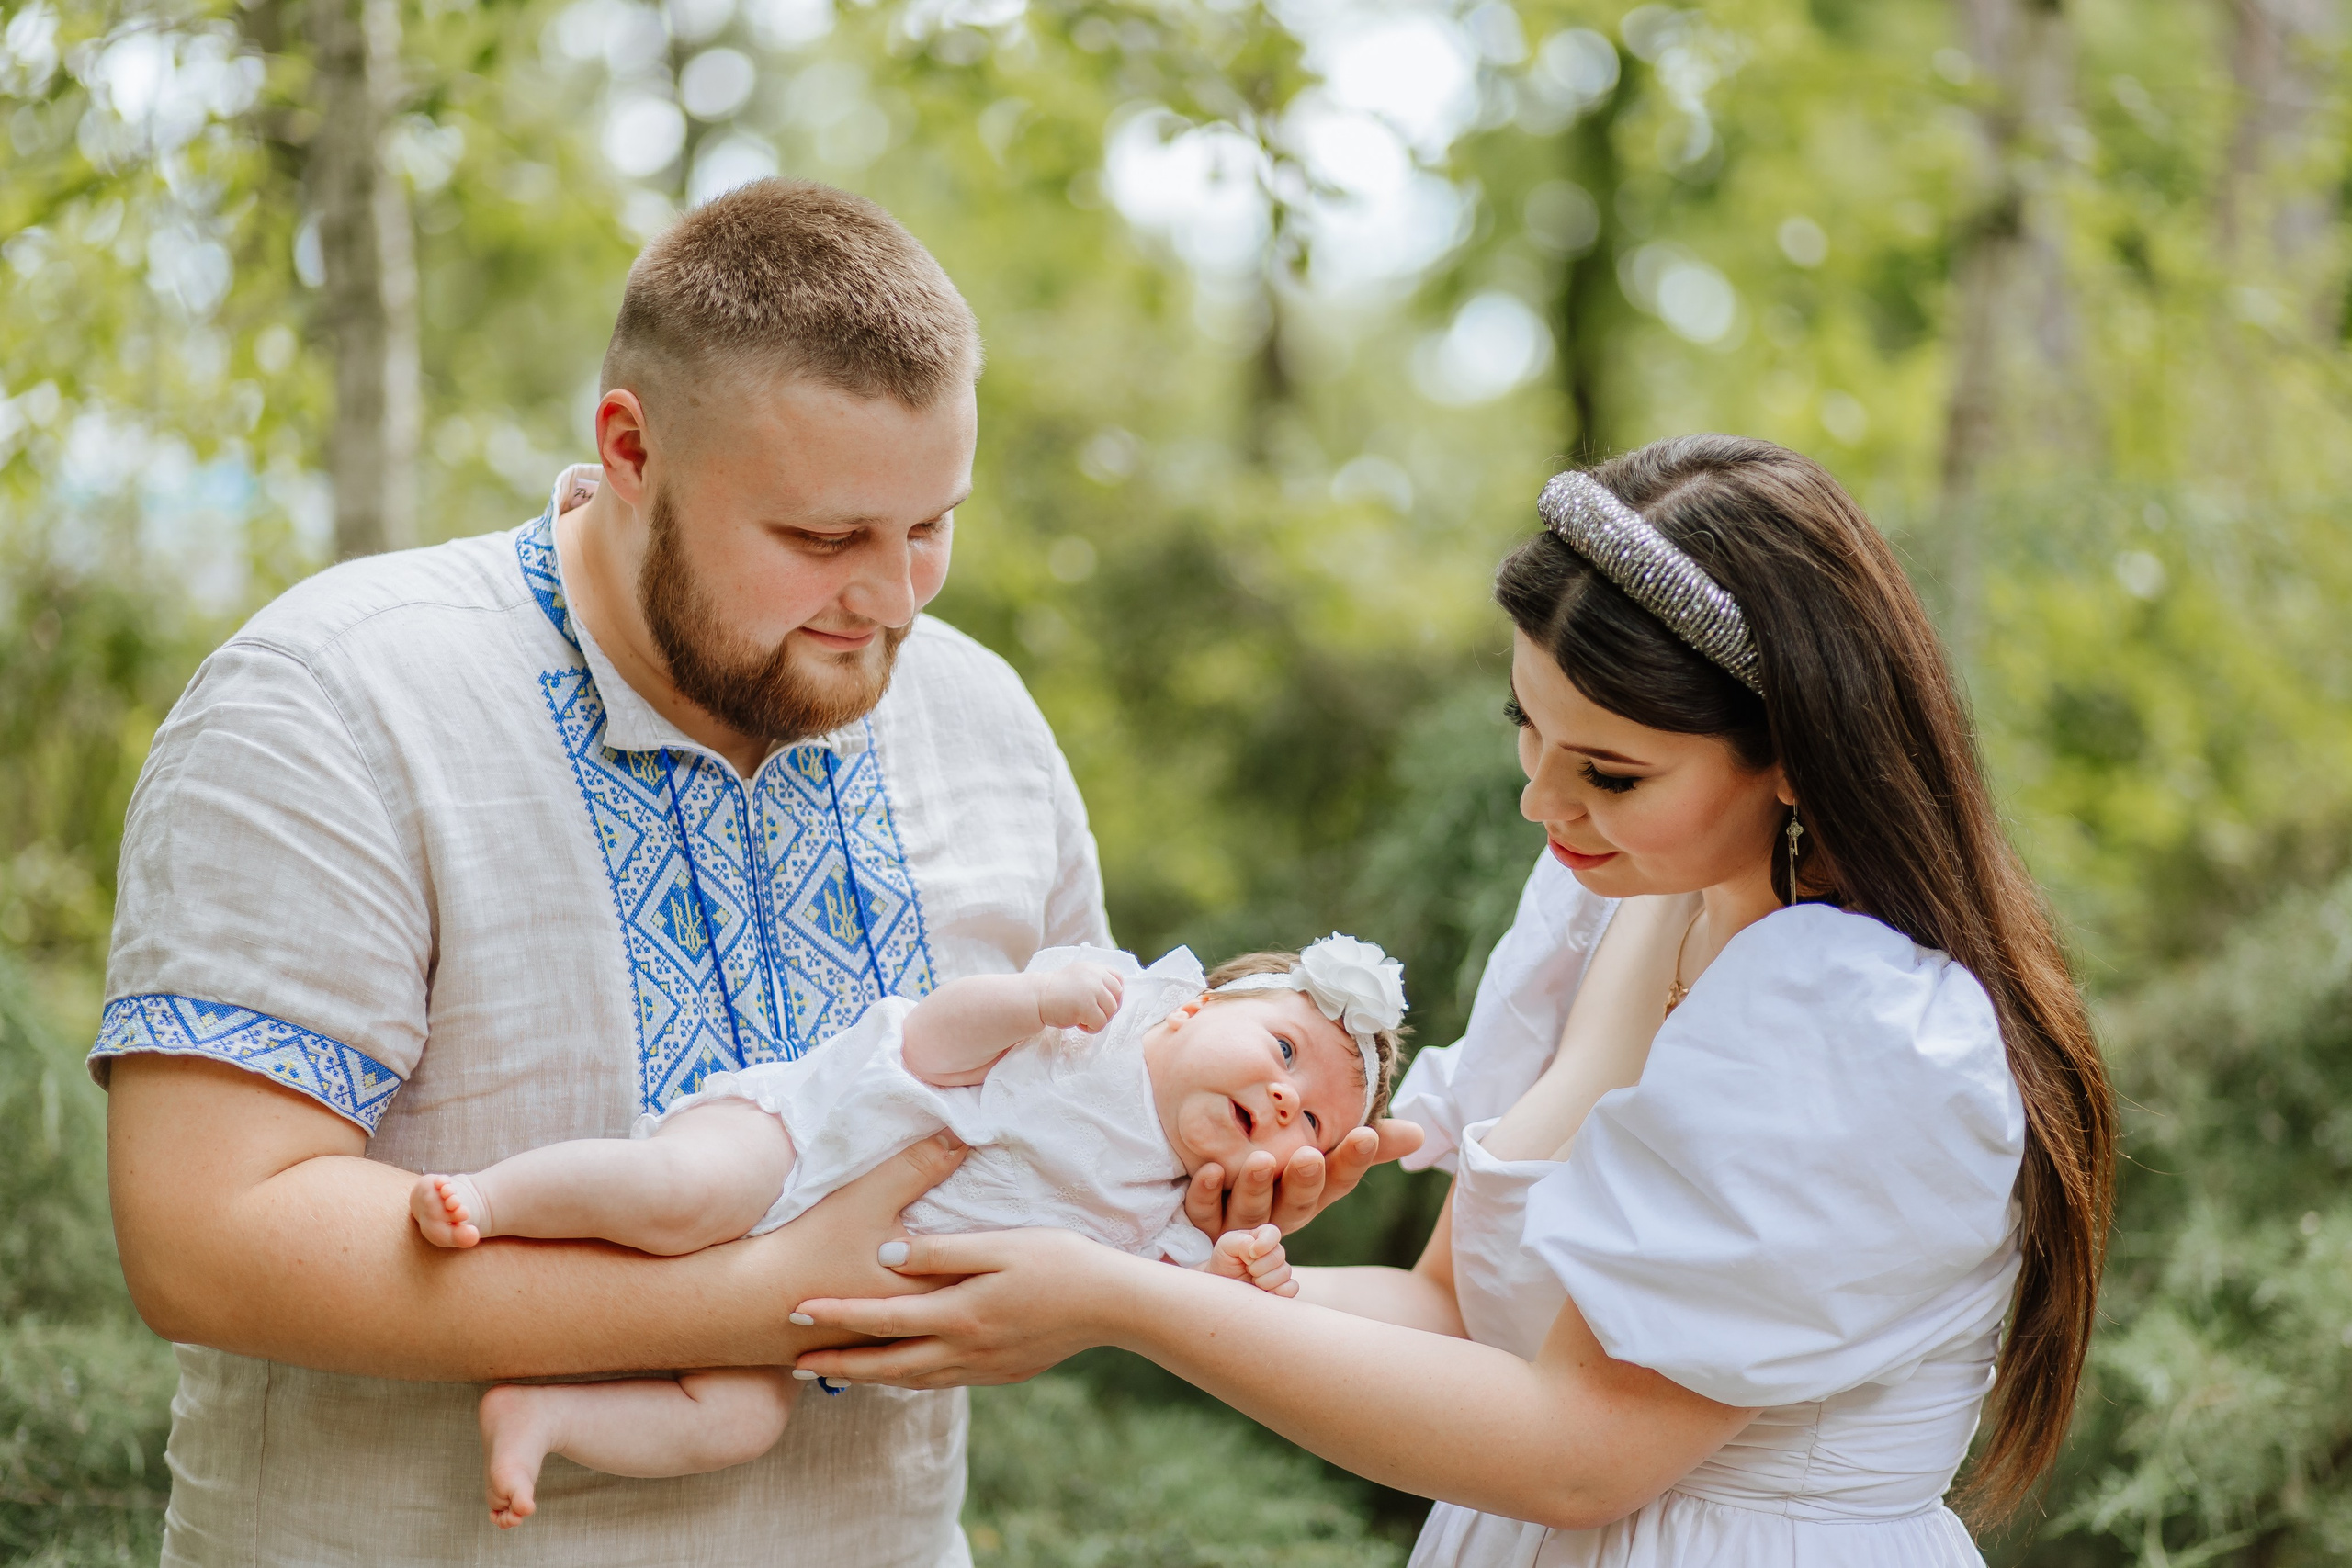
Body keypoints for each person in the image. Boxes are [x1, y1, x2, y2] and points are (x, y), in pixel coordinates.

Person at [90, 176, 1412, 1567]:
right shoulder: (338, 698)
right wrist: (752, 1294)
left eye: (928, 527)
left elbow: (1042, 1184)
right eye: (824, 537)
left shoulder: (985, 724)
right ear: (628, 448)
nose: (894, 600)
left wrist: (1183, 1193)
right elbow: (208, 1234)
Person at [785, 434, 2119, 1566]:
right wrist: (1151, 1246)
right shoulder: (1619, 895)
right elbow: (1458, 1315)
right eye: (1527, 728)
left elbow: (1580, 1451)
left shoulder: (1849, 1017)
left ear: (1796, 753)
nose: (1546, 802)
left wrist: (1117, 1300)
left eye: (1613, 768)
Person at [412, 936, 1404, 1527]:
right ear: (1190, 1011)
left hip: (800, 1315)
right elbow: (929, 1038)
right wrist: (1025, 1000)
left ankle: (542, 1420)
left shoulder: (1171, 1205)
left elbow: (1176, 1299)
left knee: (737, 1422)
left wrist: (1248, 1262)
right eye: (1282, 1049)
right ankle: (492, 1200)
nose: (1282, 1098)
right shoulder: (1087, 1021)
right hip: (799, 1148)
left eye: (1311, 1119)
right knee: (677, 1193)